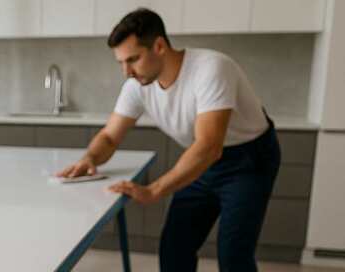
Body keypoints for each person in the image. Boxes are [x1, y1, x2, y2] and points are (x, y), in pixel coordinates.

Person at [57, 8, 281, 272]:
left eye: (133, 59)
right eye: (121, 63)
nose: (126, 71)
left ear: (160, 46)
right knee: (175, 246)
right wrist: (90, 158)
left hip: (249, 159)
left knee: (233, 255)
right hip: (202, 158)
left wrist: (155, 190)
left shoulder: (212, 68)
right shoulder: (137, 86)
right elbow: (109, 136)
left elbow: (209, 146)